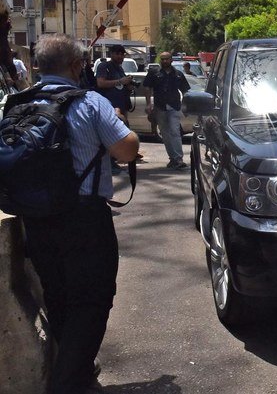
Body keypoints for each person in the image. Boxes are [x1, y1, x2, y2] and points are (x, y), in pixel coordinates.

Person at [21, 34, 139, 394]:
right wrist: (118, 121)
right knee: (93, 299)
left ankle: (78, 370)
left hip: (35, 219)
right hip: (84, 219)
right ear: (76, 66)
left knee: (57, 294)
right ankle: (67, 383)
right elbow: (126, 151)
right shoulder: (91, 102)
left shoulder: (16, 101)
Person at [143, 52, 190, 169]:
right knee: (165, 134)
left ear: (171, 60)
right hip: (160, 107)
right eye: (162, 59)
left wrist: (186, 106)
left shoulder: (178, 74)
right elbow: (147, 87)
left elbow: (185, 91)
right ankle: (173, 158)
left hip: (174, 107)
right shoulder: (154, 73)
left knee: (175, 131)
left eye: (167, 59)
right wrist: (148, 103)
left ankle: (179, 159)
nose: (164, 61)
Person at [95, 45, 134, 173]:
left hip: (121, 106)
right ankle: (109, 165)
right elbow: (100, 83)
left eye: (122, 54)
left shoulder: (119, 68)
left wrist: (128, 85)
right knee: (110, 135)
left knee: (118, 135)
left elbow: (122, 85)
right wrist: (120, 81)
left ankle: (113, 163)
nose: (120, 57)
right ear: (111, 54)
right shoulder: (104, 66)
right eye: (118, 54)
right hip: (109, 107)